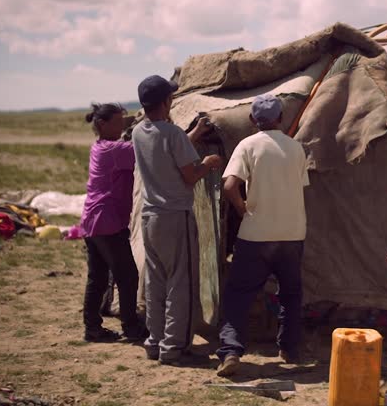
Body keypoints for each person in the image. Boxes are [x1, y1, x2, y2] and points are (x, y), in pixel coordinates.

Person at [215, 93, 310, 377]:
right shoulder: (296, 148)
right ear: (280, 118)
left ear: (252, 119)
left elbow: (229, 185)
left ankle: (231, 351)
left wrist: (242, 209)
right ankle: (290, 349)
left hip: (256, 234)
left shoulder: (248, 145)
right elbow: (300, 186)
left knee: (239, 294)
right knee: (290, 294)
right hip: (292, 233)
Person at [131, 75, 222, 365]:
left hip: (150, 217)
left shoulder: (138, 132)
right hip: (175, 217)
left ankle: (155, 342)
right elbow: (189, 174)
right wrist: (207, 164)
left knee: (156, 283)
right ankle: (175, 347)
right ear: (166, 102)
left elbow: (168, 151)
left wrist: (193, 134)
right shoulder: (172, 134)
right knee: (180, 284)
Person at [80, 103, 147, 343]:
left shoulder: (99, 146)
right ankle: (131, 327)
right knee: (128, 276)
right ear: (102, 124)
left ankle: (93, 328)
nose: (122, 126)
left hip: (92, 220)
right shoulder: (114, 150)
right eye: (117, 122)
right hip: (107, 222)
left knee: (97, 277)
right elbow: (148, 150)